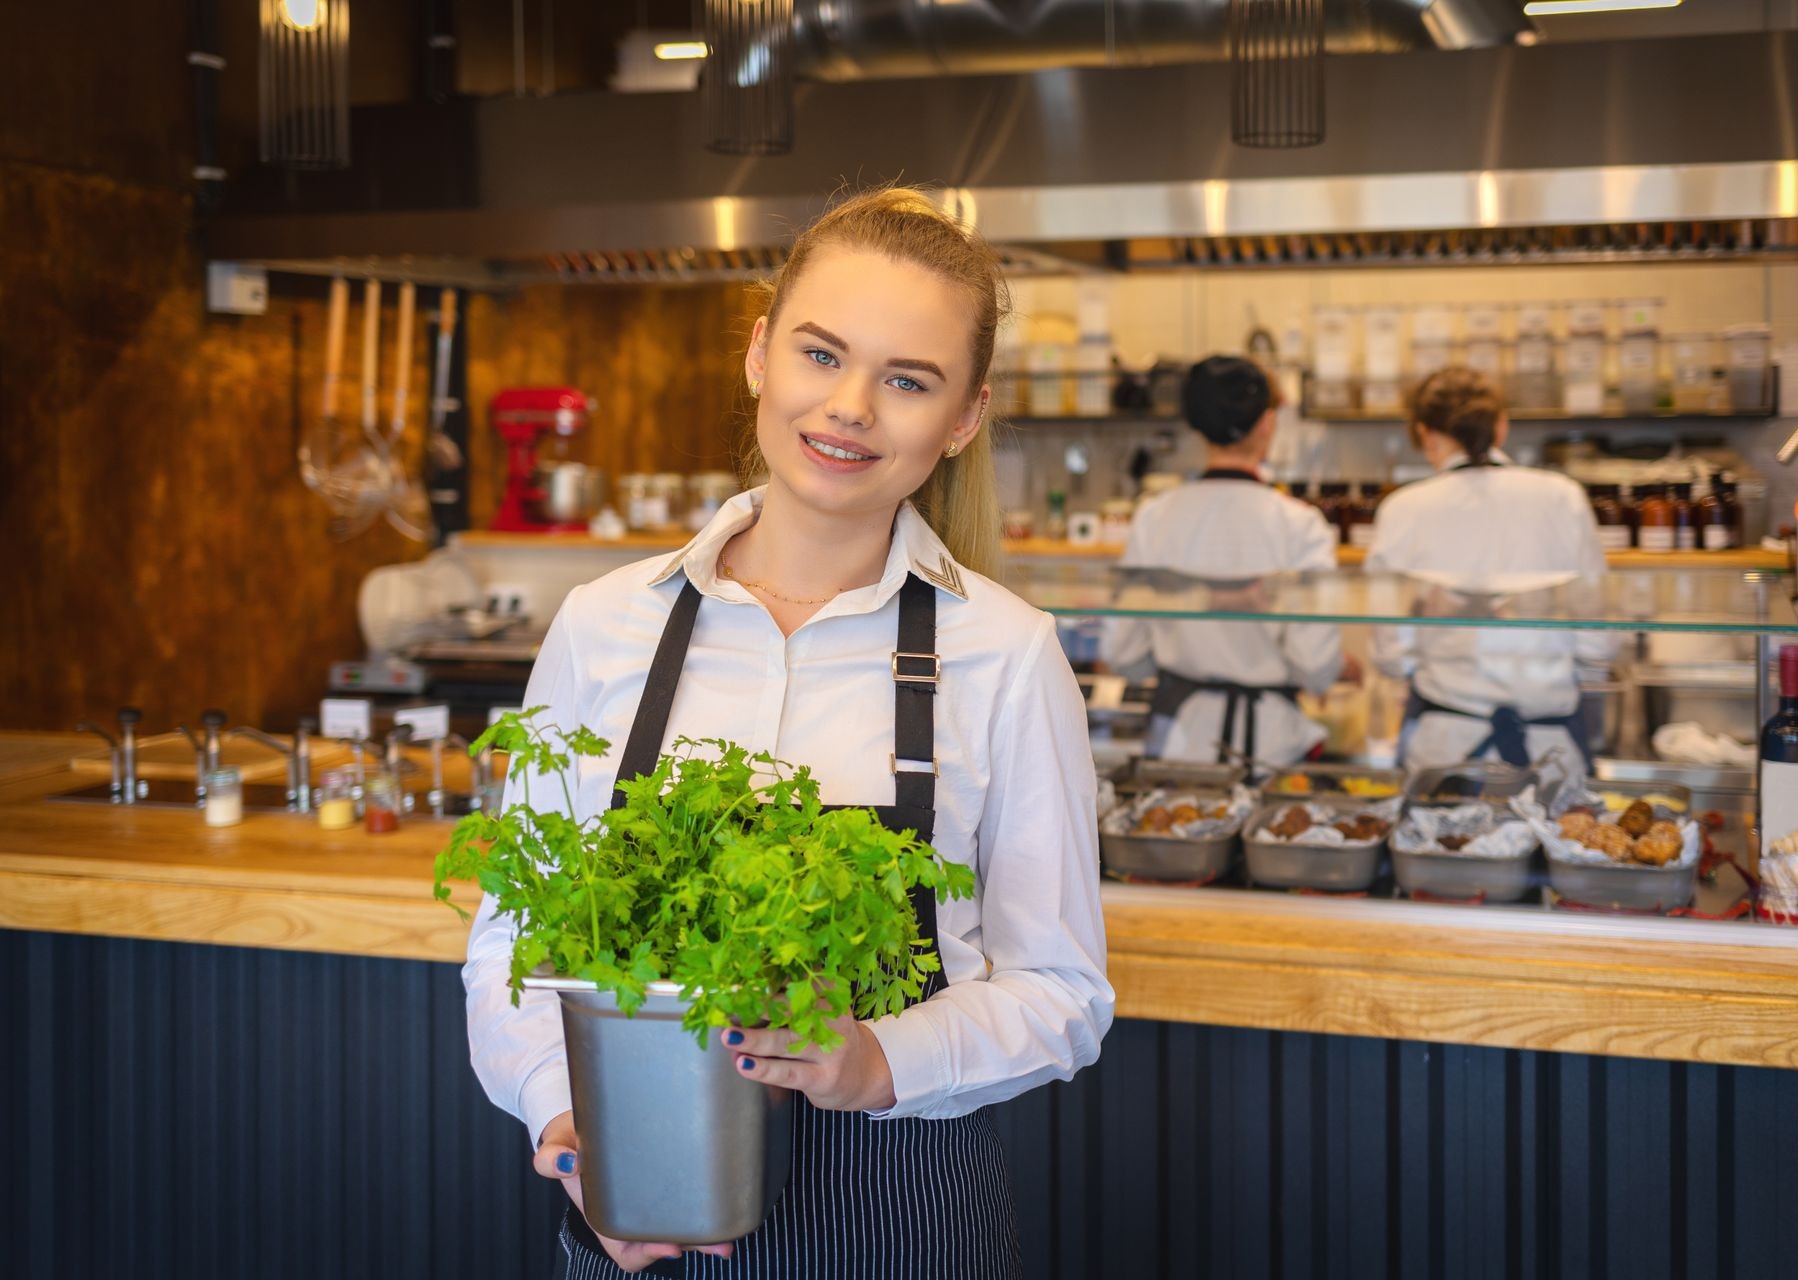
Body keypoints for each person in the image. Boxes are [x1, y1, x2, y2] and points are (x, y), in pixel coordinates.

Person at [462, 188, 1114, 1279]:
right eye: (822, 353)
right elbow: (514, 948)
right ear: (762, 353)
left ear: (964, 417)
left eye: (908, 379)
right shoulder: (607, 624)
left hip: (904, 1211)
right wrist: (575, 1135)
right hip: (643, 1208)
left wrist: (876, 1058)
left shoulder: (1006, 652)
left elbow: (1063, 992)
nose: (850, 406)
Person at [1365, 366, 1615, 774]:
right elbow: (1597, 646)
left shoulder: (1404, 509)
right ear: (1501, 428)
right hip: (1549, 751)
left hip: (1443, 749)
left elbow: (1391, 655)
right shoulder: (1562, 497)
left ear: (1425, 434)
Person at [1103, 356, 1346, 767]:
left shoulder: (1154, 517)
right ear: (1268, 424)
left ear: (1197, 428)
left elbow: (1123, 652)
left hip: (1180, 742)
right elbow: (1317, 668)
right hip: (1272, 747)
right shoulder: (1301, 526)